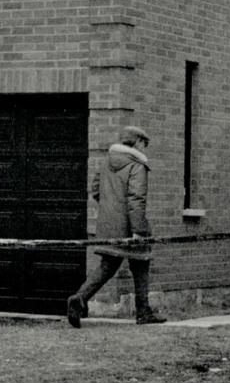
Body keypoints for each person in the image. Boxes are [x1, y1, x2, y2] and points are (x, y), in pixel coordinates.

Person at [68, 126, 167, 327]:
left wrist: (111, 209)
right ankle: (143, 312)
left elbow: (95, 190)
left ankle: (79, 298)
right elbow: (136, 199)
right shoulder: (137, 165)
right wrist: (139, 230)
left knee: (108, 265)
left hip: (109, 223)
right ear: (138, 142)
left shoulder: (106, 162)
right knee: (141, 263)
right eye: (144, 144)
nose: (144, 149)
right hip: (131, 225)